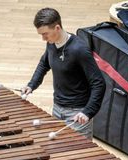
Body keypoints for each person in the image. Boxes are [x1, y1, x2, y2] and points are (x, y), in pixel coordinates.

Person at [21, 7, 106, 139]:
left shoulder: (79, 50)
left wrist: (87, 112)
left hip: (78, 113)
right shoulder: (52, 42)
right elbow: (44, 63)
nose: (43, 39)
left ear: (57, 28)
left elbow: (99, 83)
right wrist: (31, 85)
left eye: (45, 34)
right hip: (57, 107)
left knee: (78, 155)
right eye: (41, 35)